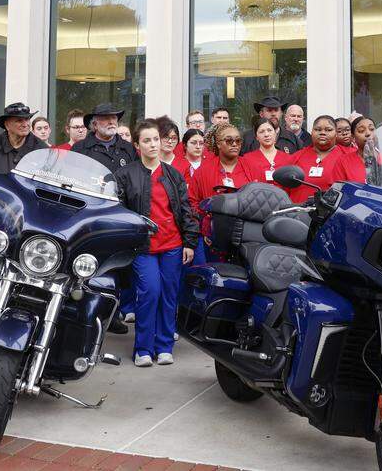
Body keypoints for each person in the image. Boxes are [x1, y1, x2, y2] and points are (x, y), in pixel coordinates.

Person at [113, 120, 197, 367]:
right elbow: (119, 211)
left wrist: (190, 242)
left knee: (169, 295)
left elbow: (186, 209)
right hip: (143, 247)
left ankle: (164, 347)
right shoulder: (126, 175)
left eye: (155, 140)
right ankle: (143, 349)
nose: (152, 144)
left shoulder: (173, 175)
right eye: (146, 140)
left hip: (172, 244)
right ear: (137, 145)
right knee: (149, 292)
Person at [188, 123, 253, 253]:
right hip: (214, 237)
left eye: (238, 140)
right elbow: (192, 202)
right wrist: (206, 228)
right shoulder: (203, 171)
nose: (234, 144)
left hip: (246, 235)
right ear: (218, 144)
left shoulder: (251, 167)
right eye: (229, 140)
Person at [286, 116, 364, 204]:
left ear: (336, 133)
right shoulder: (296, 157)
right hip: (299, 214)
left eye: (328, 130)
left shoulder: (350, 155)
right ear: (311, 132)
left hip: (336, 214)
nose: (322, 133)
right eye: (318, 129)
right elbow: (284, 190)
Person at [72, 103, 137, 171]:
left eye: (114, 118)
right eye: (106, 118)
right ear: (95, 125)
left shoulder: (129, 148)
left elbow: (136, 176)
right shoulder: (79, 149)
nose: (111, 122)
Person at [241, 117, 292, 185]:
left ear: (275, 133)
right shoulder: (247, 159)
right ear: (256, 137)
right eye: (262, 131)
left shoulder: (287, 159)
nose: (266, 135)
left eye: (269, 130)